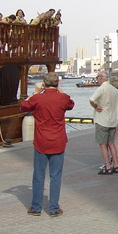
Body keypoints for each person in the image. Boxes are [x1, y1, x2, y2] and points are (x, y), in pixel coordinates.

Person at [20, 72, 74, 217]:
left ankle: (36, 207)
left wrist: (35, 92)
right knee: (55, 175)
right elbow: (71, 104)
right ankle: (54, 208)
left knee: (38, 175)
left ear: (44, 84)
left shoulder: (38, 98)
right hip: (58, 141)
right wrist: (59, 90)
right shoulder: (62, 98)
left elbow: (23, 106)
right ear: (57, 84)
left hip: (41, 141)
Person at [89, 70, 118, 175]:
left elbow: (91, 100)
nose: (97, 79)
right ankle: (115, 164)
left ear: (101, 78)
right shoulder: (114, 89)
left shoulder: (102, 88)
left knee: (103, 144)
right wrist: (115, 105)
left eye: (98, 77)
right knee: (111, 143)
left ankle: (107, 166)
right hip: (113, 120)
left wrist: (96, 106)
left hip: (102, 119)